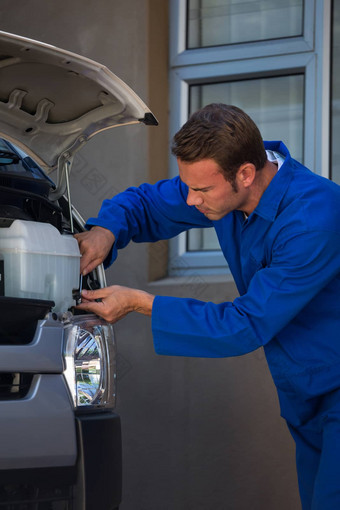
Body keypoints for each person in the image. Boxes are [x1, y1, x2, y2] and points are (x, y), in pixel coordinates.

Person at [75, 103, 340, 510]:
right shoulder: (222, 186)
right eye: (188, 186)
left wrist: (142, 304)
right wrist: (106, 230)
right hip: (306, 395)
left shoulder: (314, 218)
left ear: (246, 174)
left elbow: (244, 324)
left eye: (201, 190)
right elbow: (146, 203)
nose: (191, 200)